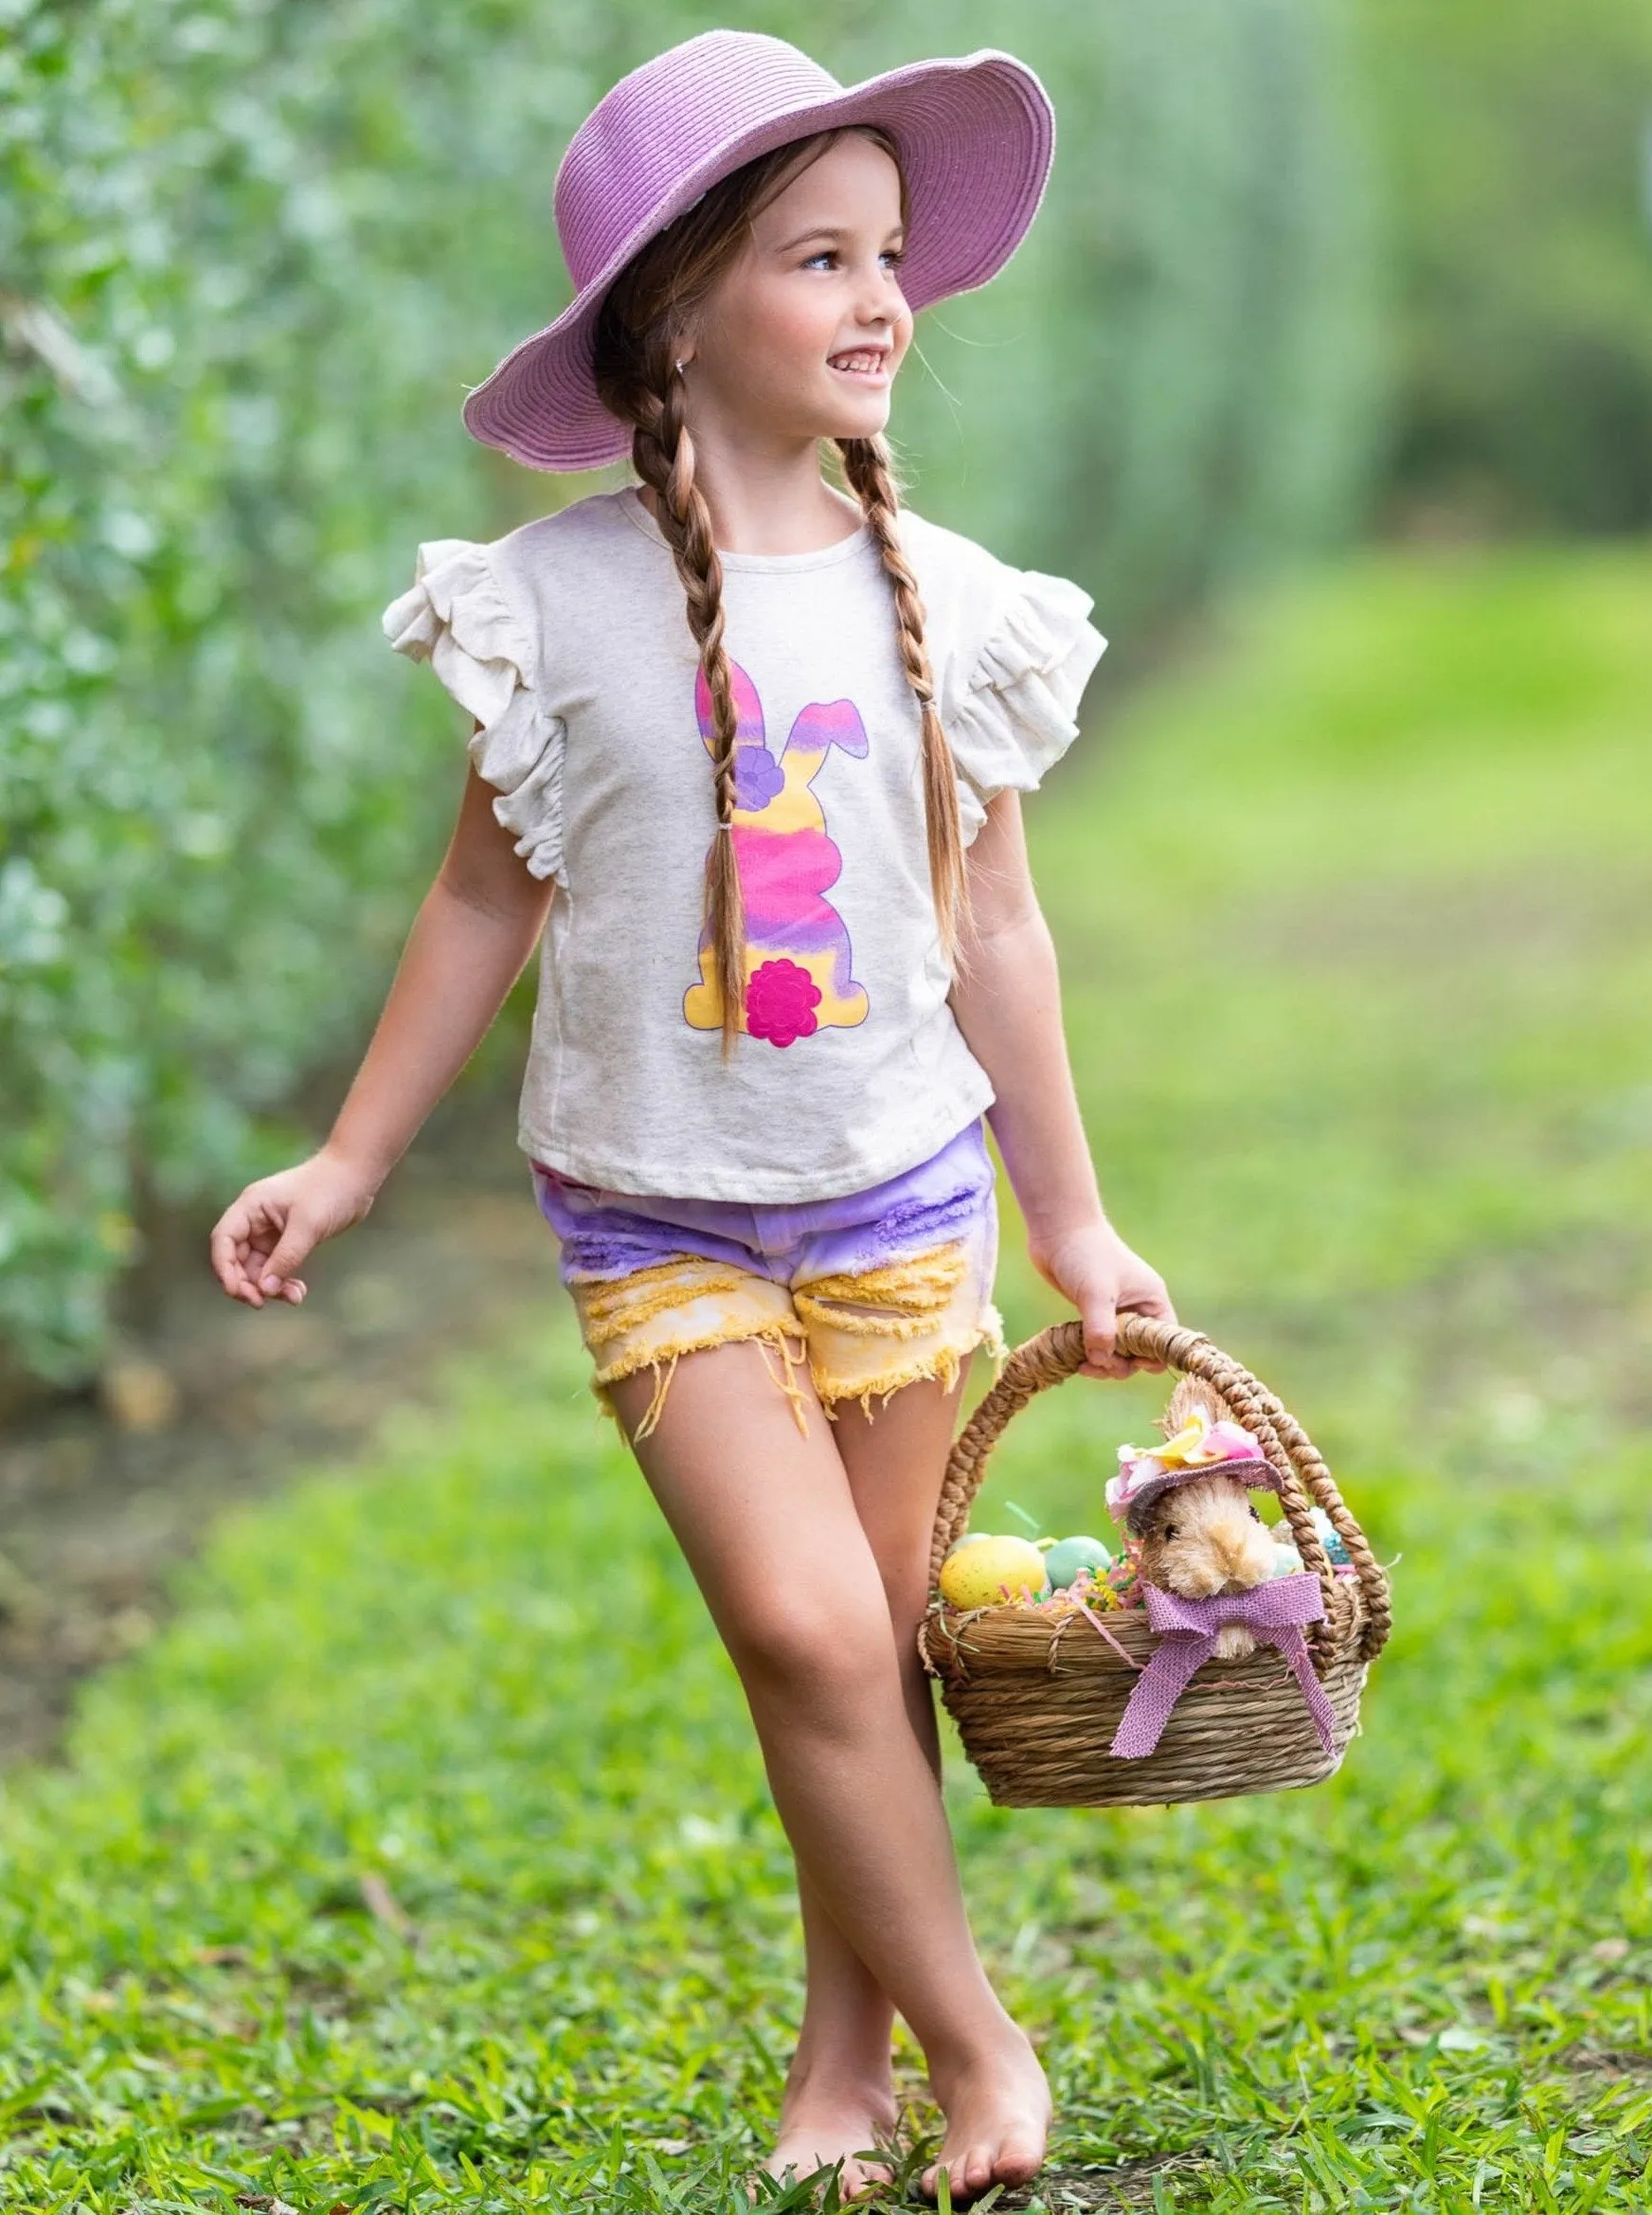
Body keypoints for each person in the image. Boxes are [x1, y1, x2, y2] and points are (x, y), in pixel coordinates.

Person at [209, 29, 1176, 2206]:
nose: (876, 300)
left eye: (889, 255)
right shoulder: (544, 606)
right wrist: (351, 1158)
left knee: (879, 1646)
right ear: (672, 310)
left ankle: (846, 2054)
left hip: (901, 1194)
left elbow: (996, 927)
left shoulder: (943, 599)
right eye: (814, 257)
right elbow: (481, 893)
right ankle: (981, 2043)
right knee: (802, 1627)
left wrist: (1075, 1217)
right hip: (660, 1214)